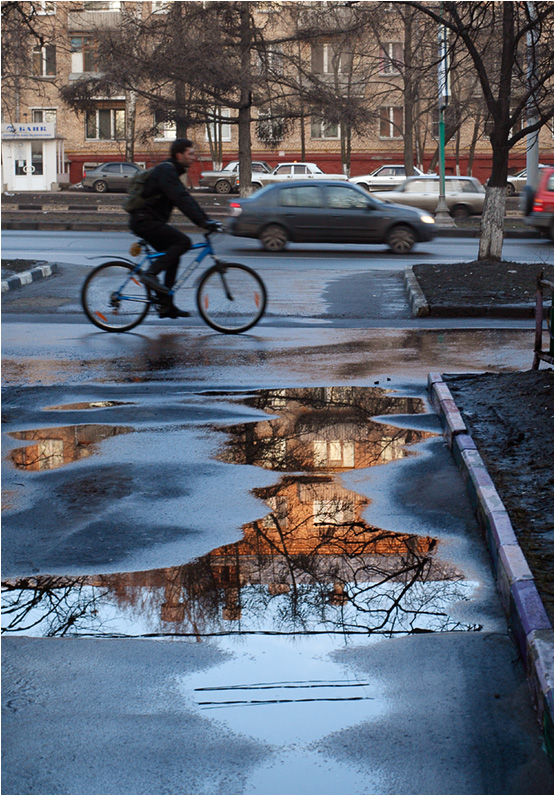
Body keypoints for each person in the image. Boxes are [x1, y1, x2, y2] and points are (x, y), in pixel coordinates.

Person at [128, 138, 221, 318]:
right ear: (179, 156)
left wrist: (205, 220)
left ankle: (166, 305)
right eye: (190, 154)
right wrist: (204, 222)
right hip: (144, 221)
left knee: (173, 257)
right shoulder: (166, 171)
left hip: (148, 220)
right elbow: (182, 200)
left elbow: (184, 198)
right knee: (183, 242)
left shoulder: (170, 171)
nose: (193, 157)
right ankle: (150, 274)